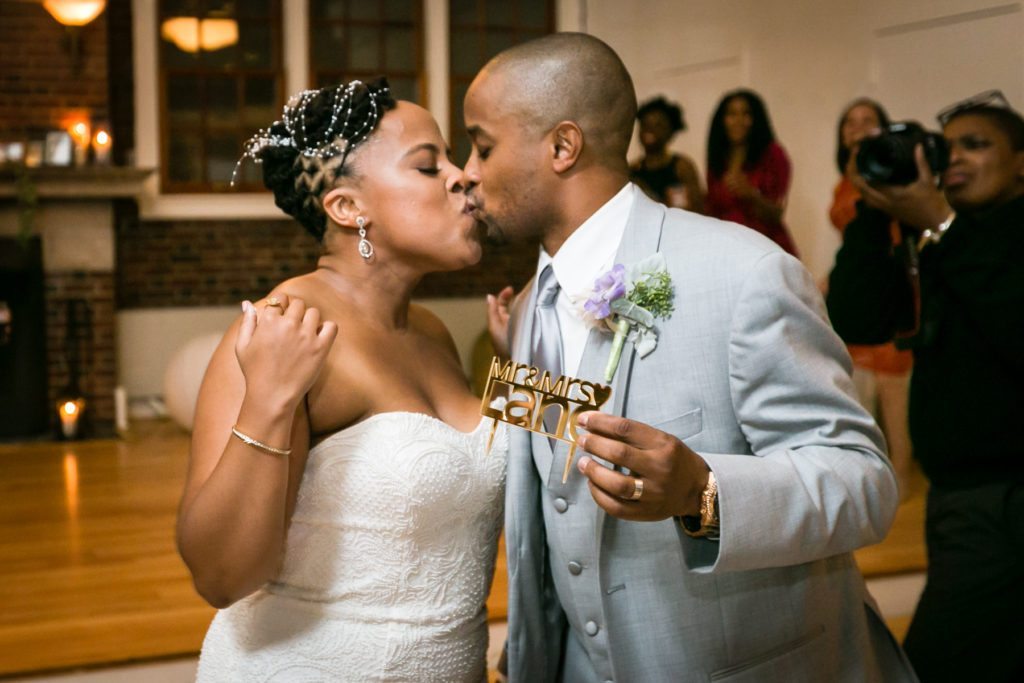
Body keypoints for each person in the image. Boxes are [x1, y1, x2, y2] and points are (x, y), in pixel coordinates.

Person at [465, 33, 914, 681]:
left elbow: (864, 481)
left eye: (482, 146)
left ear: (562, 147)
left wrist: (702, 491)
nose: (468, 171)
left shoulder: (745, 270)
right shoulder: (533, 304)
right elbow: (552, 491)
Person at [177, 78, 508, 681]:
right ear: (348, 208)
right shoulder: (282, 329)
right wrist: (269, 403)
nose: (463, 177)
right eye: (430, 166)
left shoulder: (431, 332)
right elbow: (220, 577)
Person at [827, 91, 1024, 682]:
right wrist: (875, 211)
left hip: (1005, 491)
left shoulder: (975, 236)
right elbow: (857, 317)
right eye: (947, 147)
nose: (955, 158)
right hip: (962, 493)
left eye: (977, 144)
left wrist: (941, 223)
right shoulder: (940, 239)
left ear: (1021, 161)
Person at [828, 97, 915, 498]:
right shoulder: (844, 177)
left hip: (884, 284)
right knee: (857, 395)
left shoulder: (891, 173)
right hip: (852, 284)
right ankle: (868, 481)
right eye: (850, 122)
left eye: (868, 120)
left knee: (892, 387)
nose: (858, 127)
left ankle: (900, 482)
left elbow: (896, 232)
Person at [705, 88, 799, 256]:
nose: (738, 120)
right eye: (731, 114)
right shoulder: (718, 159)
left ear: (756, 119)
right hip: (729, 250)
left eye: (746, 114)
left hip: (766, 248)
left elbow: (777, 213)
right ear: (722, 120)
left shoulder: (773, 154)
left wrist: (752, 195)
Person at [630, 95, 704, 212]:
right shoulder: (633, 170)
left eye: (658, 125)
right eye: (645, 124)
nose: (649, 129)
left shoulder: (682, 167)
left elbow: (698, 209)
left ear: (671, 132)